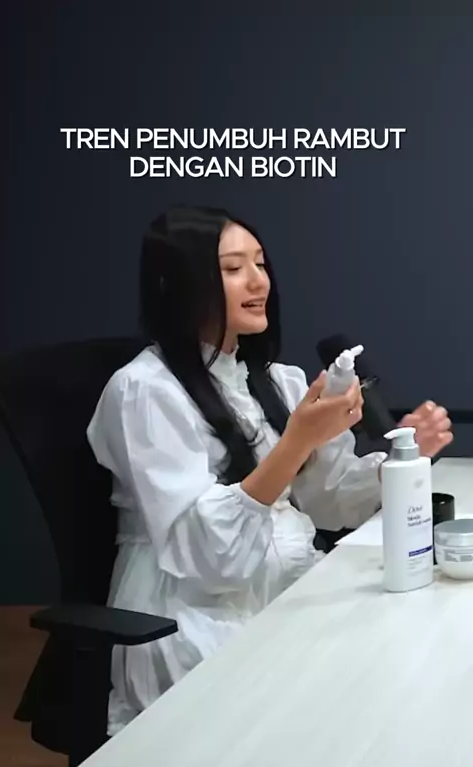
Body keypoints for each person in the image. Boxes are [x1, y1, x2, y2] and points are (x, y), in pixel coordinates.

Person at [87, 205, 453, 736]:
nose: (258, 281)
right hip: (191, 614)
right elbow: (207, 556)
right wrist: (298, 440)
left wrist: (404, 456)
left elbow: (327, 500)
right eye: (233, 268)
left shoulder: (277, 381)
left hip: (284, 587)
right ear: (180, 283)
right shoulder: (144, 392)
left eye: (260, 263)